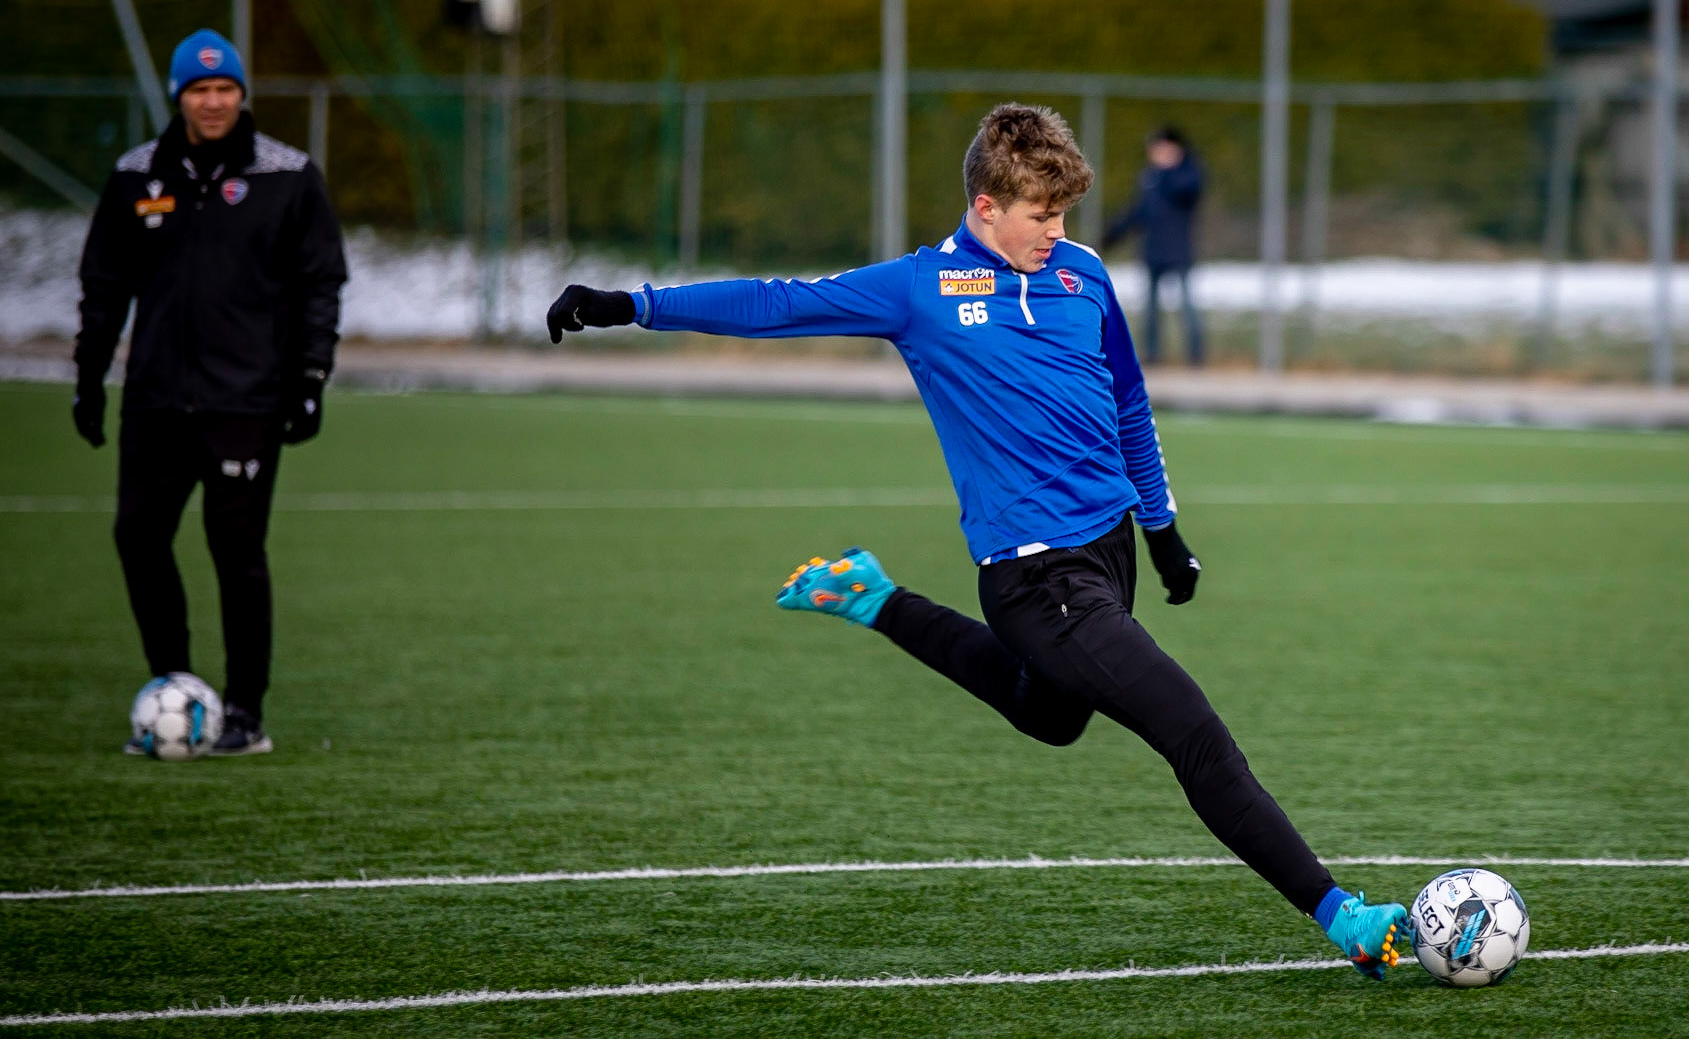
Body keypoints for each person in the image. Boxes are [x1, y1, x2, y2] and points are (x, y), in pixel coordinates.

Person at [545, 103, 1409, 978]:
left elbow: (1130, 406)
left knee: (1052, 715)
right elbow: (779, 303)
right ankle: (1343, 915)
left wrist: (1162, 531)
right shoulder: (921, 290)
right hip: (1037, 580)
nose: (1055, 232)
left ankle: (873, 597)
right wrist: (632, 304)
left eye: (1064, 214)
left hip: (1107, 552)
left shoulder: (1083, 275)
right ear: (986, 206)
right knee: (1192, 733)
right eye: (1041, 215)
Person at [74, 29, 348, 756]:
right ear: (179, 98)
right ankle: (177, 688)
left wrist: (311, 380)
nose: (215, 101)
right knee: (137, 537)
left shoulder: (287, 175)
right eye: (200, 90)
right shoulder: (137, 176)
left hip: (245, 403)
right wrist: (87, 379)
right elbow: (103, 287)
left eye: (225, 88)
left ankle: (247, 713)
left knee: (236, 550)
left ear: (241, 95)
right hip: (157, 398)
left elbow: (321, 283)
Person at [1103, 126, 1205, 366]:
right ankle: (1152, 354)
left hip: (1179, 250)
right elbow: (1139, 212)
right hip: (1153, 251)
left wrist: (1169, 168)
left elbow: (1189, 190)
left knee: (1187, 306)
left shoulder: (1186, 173)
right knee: (1150, 309)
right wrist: (1113, 234)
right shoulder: (1151, 177)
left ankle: (1195, 356)